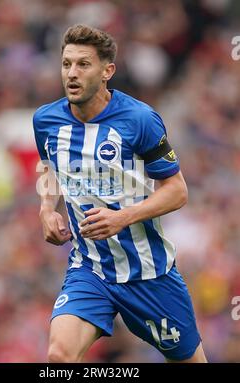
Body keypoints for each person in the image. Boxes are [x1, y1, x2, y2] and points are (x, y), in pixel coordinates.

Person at [33, 24, 207, 363]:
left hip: (149, 274)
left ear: (107, 71)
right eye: (67, 63)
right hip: (90, 269)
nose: (72, 73)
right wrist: (45, 208)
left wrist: (123, 217)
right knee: (59, 355)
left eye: (83, 64)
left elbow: (177, 191)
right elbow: (48, 167)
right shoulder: (46, 120)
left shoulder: (140, 119)